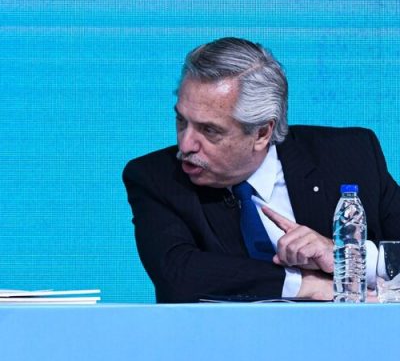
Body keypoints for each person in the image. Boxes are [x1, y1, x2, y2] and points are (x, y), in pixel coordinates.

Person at [123, 37, 400, 303]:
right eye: (182, 121)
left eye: (209, 130)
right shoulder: (157, 177)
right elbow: (179, 275)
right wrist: (305, 285)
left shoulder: (348, 155)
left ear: (262, 133)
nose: (186, 144)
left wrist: (347, 256)